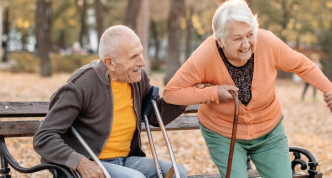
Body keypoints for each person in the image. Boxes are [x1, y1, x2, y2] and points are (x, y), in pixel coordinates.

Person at [163, 0, 332, 178]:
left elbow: (303, 65)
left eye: (250, 34)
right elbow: (171, 93)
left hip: (269, 131)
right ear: (220, 40)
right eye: (237, 38)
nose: (246, 44)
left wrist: (329, 90)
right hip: (224, 135)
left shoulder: (268, 43)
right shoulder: (205, 56)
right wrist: (212, 93)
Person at [33, 25, 188, 178]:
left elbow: (154, 116)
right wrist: (81, 163)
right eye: (133, 57)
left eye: (141, 53)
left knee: (177, 172)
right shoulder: (82, 84)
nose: (142, 62)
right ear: (110, 63)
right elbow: (44, 137)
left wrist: (187, 95)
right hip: (89, 164)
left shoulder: (137, 79)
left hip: (127, 161)